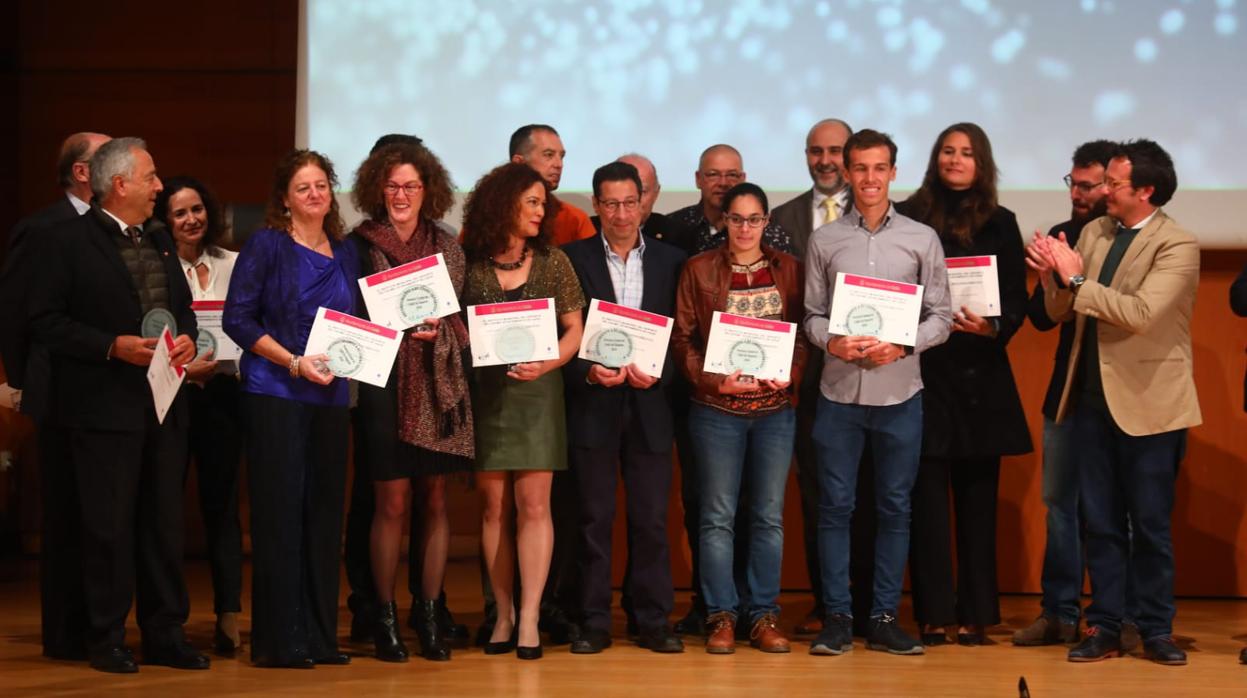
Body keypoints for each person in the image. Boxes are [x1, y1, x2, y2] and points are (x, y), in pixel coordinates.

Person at [28, 137, 207, 673]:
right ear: (120, 184)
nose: (160, 186)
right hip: (102, 409)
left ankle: (165, 633)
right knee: (107, 528)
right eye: (151, 177)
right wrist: (112, 345)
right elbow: (44, 321)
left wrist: (189, 340)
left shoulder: (158, 239)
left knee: (163, 525)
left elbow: (184, 312)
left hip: (162, 404)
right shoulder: (65, 242)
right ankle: (105, 635)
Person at [1026, 139, 1200, 666]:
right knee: (1098, 522)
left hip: (1151, 404)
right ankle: (1103, 625)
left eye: (1113, 184)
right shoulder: (1096, 232)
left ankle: (1154, 628)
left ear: (1145, 191)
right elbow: (1064, 310)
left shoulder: (1178, 244)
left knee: (1148, 524)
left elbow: (1140, 312)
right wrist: (1050, 275)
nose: (1102, 192)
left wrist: (1075, 276)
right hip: (1091, 400)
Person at [803, 129, 952, 657]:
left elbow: (943, 318)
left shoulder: (920, 239)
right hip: (838, 395)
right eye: (859, 168)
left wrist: (903, 346)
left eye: (879, 168)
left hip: (899, 395)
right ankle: (838, 618)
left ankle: (885, 616)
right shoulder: (825, 240)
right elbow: (812, 317)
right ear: (846, 172)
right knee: (834, 510)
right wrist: (832, 341)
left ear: (893, 172)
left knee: (894, 509)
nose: (869, 178)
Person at [223, 149, 359, 669]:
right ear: (284, 198)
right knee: (280, 517)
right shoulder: (267, 245)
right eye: (303, 187)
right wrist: (294, 362)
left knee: (325, 517)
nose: (315, 194)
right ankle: (280, 642)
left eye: (322, 184)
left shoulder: (345, 251)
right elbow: (238, 319)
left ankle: (322, 638)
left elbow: (359, 321)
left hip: (330, 398)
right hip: (275, 395)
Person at [897, 123, 1032, 645]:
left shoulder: (1002, 223)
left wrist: (993, 326)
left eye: (967, 153)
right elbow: (892, 289)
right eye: (948, 151)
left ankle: (976, 612)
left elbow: (1016, 302)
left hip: (981, 379)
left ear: (983, 162)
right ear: (935, 159)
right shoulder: (907, 216)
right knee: (925, 504)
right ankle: (933, 612)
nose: (956, 160)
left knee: (978, 503)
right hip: (922, 374)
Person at [341, 133, 469, 649]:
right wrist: (387, 328)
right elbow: (347, 320)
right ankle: (384, 614)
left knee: (434, 500)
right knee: (390, 503)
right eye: (392, 186)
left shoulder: (447, 244)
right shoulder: (357, 245)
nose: (401, 195)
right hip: (383, 387)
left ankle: (431, 612)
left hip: (440, 389)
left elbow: (464, 324)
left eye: (411, 186)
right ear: (378, 188)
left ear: (428, 189)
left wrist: (444, 330)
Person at [672, 181, 807, 654]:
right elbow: (683, 341)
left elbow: (803, 337)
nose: (745, 228)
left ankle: (764, 615)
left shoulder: (789, 269)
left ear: (767, 222)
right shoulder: (698, 269)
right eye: (736, 219)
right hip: (716, 413)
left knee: (768, 518)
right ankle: (720, 616)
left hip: (774, 413)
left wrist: (788, 374)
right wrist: (714, 382)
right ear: (724, 221)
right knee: (716, 518)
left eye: (754, 219)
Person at [460, 162, 586, 660]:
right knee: (493, 509)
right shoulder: (467, 260)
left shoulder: (554, 261)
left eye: (542, 203)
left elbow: (575, 329)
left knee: (535, 507)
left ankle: (531, 617)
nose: (541, 210)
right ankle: (503, 613)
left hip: (538, 394)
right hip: (487, 392)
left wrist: (548, 362)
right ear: (504, 203)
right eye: (532, 201)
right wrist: (470, 340)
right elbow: (452, 322)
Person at [562, 162, 686, 655]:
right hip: (594, 403)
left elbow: (683, 337)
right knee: (593, 519)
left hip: (652, 405)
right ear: (595, 206)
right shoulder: (569, 259)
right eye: (609, 203)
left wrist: (662, 373)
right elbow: (560, 333)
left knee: (651, 520)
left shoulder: (673, 260)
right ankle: (593, 621)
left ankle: (652, 619)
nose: (620, 213)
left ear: (644, 203)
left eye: (629, 203)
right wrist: (587, 371)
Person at [0, 130, 108, 661]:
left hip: (108, 395)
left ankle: (100, 627)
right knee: (65, 518)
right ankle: (65, 635)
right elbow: (16, 312)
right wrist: (22, 385)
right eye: (105, 157)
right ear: (83, 172)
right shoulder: (41, 229)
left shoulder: (116, 229)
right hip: (59, 394)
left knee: (100, 519)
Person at [771, 117, 876, 636]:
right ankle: (825, 602)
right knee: (819, 494)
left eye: (836, 151)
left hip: (875, 371)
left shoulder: (881, 217)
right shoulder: (780, 217)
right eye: (816, 151)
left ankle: (870, 603)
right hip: (806, 376)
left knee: (873, 493)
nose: (826, 160)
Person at [1013, 139, 1119, 647]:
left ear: (1112, 186)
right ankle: (1058, 612)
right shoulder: (1062, 234)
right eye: (1071, 184)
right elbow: (1039, 319)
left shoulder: (1132, 238)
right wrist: (1044, 278)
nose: (1076, 194)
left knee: (1114, 509)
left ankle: (1118, 615)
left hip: (1123, 390)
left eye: (1087, 185)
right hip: (1067, 390)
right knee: (1059, 504)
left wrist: (1072, 274)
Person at [153, 176, 244, 656]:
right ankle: (171, 620)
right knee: (167, 509)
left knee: (222, 508)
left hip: (225, 396)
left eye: (197, 209)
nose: (192, 220)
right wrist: (186, 369)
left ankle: (229, 615)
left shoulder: (234, 263)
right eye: (180, 213)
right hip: (174, 398)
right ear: (166, 223)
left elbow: (250, 324)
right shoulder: (157, 267)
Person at [668, 144, 795, 255]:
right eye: (713, 174)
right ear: (698, 179)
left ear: (743, 179)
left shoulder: (770, 235)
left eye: (732, 175)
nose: (723, 183)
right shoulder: (673, 227)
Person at [509, 123, 595, 246]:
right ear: (518, 162)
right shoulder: (486, 215)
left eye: (561, 156)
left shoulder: (573, 219)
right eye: (548, 155)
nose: (559, 164)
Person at [590, 153, 689, 248]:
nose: (628, 205)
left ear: (656, 193)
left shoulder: (676, 236)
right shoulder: (585, 230)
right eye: (612, 202)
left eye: (642, 191)